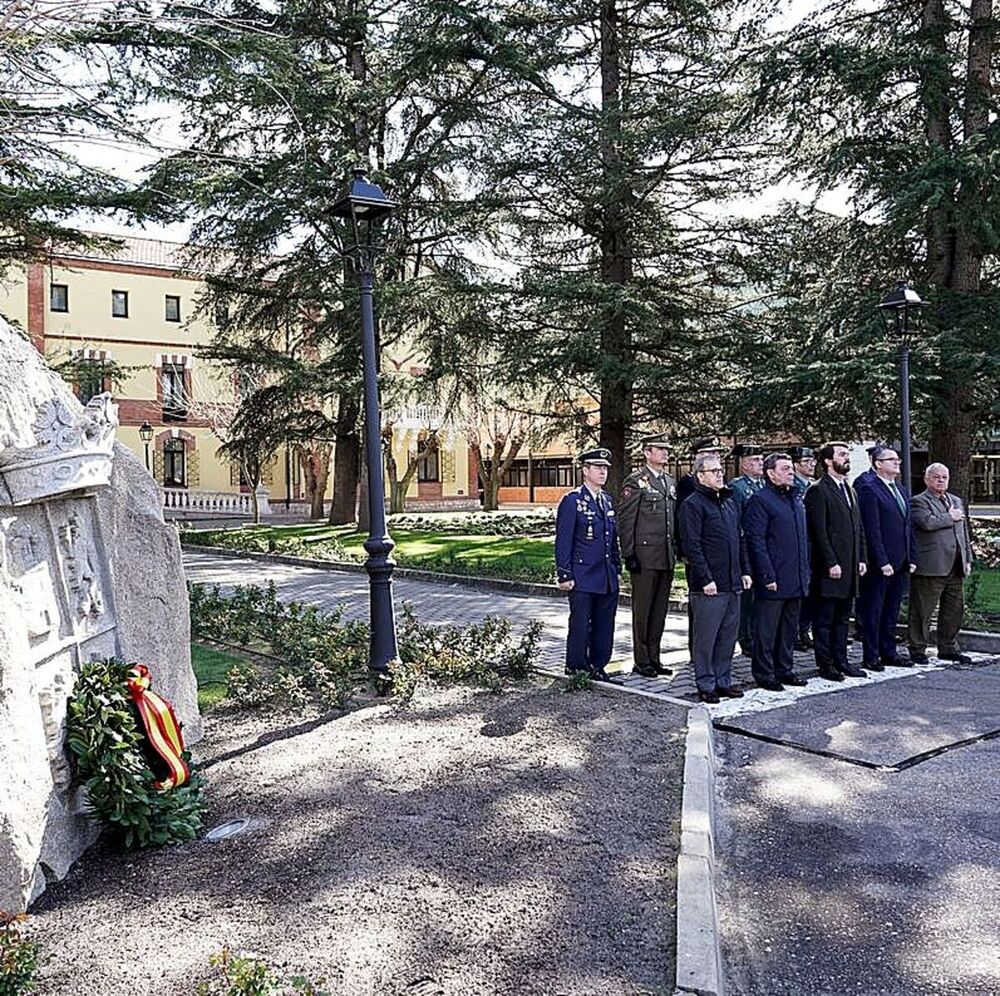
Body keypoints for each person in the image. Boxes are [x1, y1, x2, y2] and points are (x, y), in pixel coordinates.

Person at [679, 452, 752, 703]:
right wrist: (705, 578)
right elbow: (693, 545)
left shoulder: (728, 502)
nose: (721, 474)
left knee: (727, 637)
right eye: (714, 471)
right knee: (706, 638)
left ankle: (723, 681)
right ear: (700, 475)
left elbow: (739, 540)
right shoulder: (693, 504)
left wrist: (744, 571)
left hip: (732, 583)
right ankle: (706, 683)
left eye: (721, 470)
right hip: (709, 586)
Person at [743, 452, 811, 691]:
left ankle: (785, 669)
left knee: (789, 630)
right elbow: (756, 541)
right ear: (770, 473)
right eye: (785, 469)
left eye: (791, 468)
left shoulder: (795, 499)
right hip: (773, 578)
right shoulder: (760, 500)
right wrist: (766, 575)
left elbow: (802, 540)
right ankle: (765, 673)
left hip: (796, 577)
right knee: (767, 631)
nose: (791, 472)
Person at [555, 447, 622, 680]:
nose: (603, 472)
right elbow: (563, 541)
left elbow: (612, 540)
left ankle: (598, 666)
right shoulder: (573, 501)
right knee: (581, 624)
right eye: (598, 468)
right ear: (585, 470)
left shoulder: (606, 500)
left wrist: (617, 568)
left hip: (605, 576)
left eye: (605, 468)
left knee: (605, 625)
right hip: (582, 575)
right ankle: (576, 667)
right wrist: (564, 574)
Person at [804, 442, 868, 681]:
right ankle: (826, 664)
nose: (846, 458)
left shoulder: (850, 490)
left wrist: (862, 557)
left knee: (843, 618)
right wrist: (830, 562)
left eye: (847, 454)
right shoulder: (818, 490)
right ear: (828, 461)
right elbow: (818, 532)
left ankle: (842, 660)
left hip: (850, 567)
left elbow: (858, 528)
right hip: (830, 569)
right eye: (842, 455)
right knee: (825, 619)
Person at [618, 433, 677, 677]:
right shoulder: (635, 482)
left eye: (666, 449)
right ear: (647, 452)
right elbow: (626, 519)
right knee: (643, 611)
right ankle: (641, 661)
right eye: (659, 449)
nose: (665, 453)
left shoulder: (669, 481)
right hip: (644, 557)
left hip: (665, 556)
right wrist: (629, 553)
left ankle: (655, 657)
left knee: (659, 611)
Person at [856, 444, 916, 669]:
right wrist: (882, 561)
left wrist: (911, 556)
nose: (897, 462)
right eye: (891, 459)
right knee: (874, 609)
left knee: (891, 610)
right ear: (878, 464)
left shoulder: (900, 489)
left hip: (900, 561)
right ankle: (871, 655)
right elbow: (872, 529)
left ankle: (889, 651)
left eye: (898, 459)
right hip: (881, 563)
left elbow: (907, 526)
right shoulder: (869, 488)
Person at [908, 463, 974, 665]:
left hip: (955, 565)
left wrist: (968, 558)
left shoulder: (955, 500)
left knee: (954, 610)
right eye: (936, 477)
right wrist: (949, 517)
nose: (941, 480)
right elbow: (927, 523)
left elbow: (963, 532)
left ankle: (948, 647)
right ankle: (917, 649)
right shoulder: (918, 501)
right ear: (927, 479)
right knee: (923, 610)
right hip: (931, 565)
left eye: (944, 477)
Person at [728, 443, 765, 660]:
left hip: (763, 548)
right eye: (754, 460)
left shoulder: (763, 484)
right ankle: (745, 638)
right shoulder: (738, 487)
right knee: (747, 599)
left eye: (761, 460)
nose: (759, 463)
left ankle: (756, 634)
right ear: (743, 465)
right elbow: (737, 520)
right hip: (748, 547)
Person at [790, 445, 817, 650]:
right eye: (807, 462)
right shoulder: (795, 487)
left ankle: (805, 629)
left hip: (812, 543)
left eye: (813, 461)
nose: (812, 464)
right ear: (796, 465)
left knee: (811, 592)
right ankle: (797, 632)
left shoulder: (812, 485)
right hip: (800, 543)